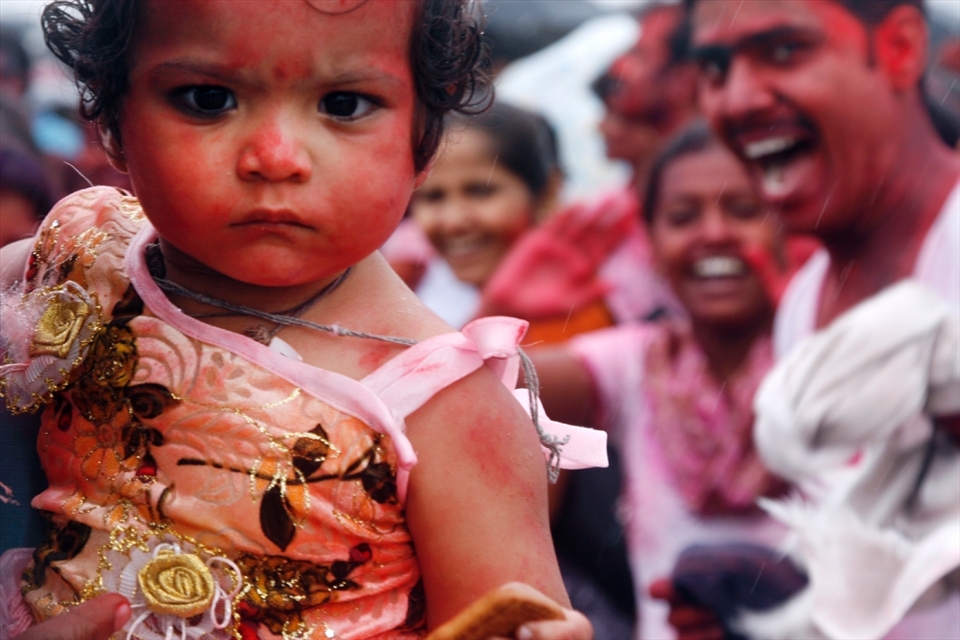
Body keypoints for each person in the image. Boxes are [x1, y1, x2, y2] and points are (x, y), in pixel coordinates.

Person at [0, 1, 607, 638]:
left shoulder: (440, 406)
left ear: (424, 135)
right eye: (208, 98)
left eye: (343, 105)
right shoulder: (80, 250)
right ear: (111, 118)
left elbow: (508, 618)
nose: (276, 157)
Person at [684, 0, 960, 637]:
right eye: (715, 68)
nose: (739, 99)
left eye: (784, 51)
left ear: (899, 49)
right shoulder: (805, 304)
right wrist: (779, 605)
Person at [529, 121, 800, 640]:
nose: (714, 233)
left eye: (743, 211)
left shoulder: (838, 360)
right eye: (682, 217)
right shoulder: (636, 363)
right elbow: (473, 394)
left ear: (789, 224)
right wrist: (499, 305)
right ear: (650, 244)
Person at [410, 102, 617, 343]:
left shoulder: (573, 314)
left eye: (480, 192)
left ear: (548, 192)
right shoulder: (418, 298)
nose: (454, 221)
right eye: (433, 197)